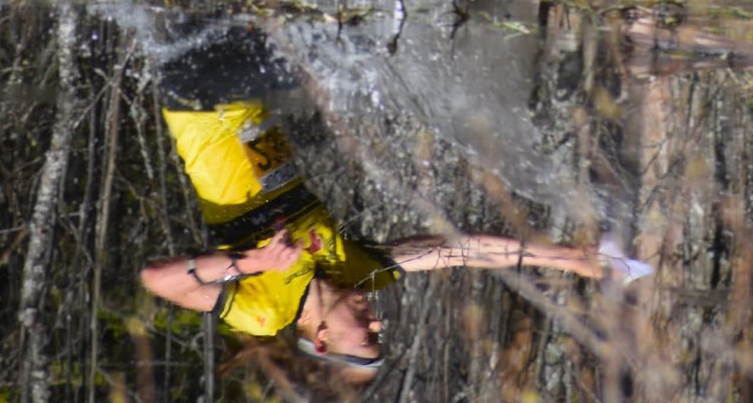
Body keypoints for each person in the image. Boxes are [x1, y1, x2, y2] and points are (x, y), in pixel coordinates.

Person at [140, 23, 650, 379]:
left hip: (196, 99)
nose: (376, 322)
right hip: (241, 88)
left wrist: (253, 261)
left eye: (366, 336)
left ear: (320, 340)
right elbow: (462, 251)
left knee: (344, 50)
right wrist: (570, 260)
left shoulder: (261, 312)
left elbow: (157, 280)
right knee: (320, 38)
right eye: (376, 332)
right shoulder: (359, 271)